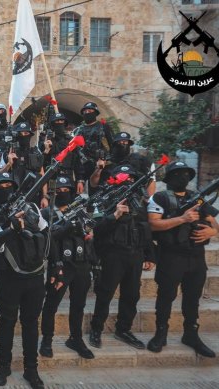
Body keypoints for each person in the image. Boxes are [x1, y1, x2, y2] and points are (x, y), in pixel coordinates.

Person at [0, 173, 48, 388]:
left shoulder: (32, 208)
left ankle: (31, 369)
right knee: (7, 322)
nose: (6, 188)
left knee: (31, 323)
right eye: (1, 185)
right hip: (8, 276)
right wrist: (10, 229)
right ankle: (3, 366)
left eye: (9, 185)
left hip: (35, 276)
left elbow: (46, 236)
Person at [147, 161, 218, 357]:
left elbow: (214, 223)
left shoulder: (198, 199)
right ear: (169, 178)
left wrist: (212, 231)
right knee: (166, 296)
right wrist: (182, 219)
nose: (183, 177)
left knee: (192, 298)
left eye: (186, 174)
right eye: (178, 173)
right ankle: (160, 333)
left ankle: (191, 334)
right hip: (171, 256)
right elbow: (152, 225)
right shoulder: (160, 197)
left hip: (196, 257)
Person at [89, 165, 156, 351]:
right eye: (124, 179)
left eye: (131, 180)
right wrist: (115, 215)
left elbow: (145, 228)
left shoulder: (139, 202)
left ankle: (123, 329)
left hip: (135, 254)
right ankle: (96, 328)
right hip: (113, 255)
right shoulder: (105, 201)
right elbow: (96, 229)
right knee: (105, 293)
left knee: (131, 295)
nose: (128, 183)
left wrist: (150, 254)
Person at [39, 176, 95, 360]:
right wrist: (65, 228)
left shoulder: (81, 210)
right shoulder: (47, 213)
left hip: (81, 263)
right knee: (51, 304)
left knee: (78, 304)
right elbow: (46, 238)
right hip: (61, 265)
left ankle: (76, 338)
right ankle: (47, 339)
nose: (63, 193)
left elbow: (90, 233)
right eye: (59, 190)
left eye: (66, 190)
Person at [0, 121, 48, 208]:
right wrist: (9, 164)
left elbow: (42, 176)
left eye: (26, 133)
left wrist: (44, 197)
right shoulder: (8, 153)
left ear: (30, 134)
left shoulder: (36, 153)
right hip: (14, 197)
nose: (23, 136)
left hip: (34, 196)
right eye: (20, 133)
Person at [89, 132, 155, 196]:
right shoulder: (105, 162)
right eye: (119, 142)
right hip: (110, 198)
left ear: (129, 144)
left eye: (125, 142)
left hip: (132, 198)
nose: (122, 144)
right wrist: (99, 169)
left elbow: (150, 180)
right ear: (114, 145)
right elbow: (93, 184)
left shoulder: (138, 160)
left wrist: (148, 201)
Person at [41, 113, 84, 195]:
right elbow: (40, 165)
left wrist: (80, 180)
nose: (60, 123)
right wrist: (46, 150)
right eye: (57, 122)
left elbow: (78, 162)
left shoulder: (71, 141)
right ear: (52, 125)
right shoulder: (45, 141)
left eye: (61, 121)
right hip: (51, 177)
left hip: (68, 177)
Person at [73, 102, 114, 182]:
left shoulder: (104, 127)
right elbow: (76, 149)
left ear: (95, 113)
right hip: (85, 166)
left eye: (90, 111)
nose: (87, 113)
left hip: (103, 165)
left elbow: (112, 145)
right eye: (85, 111)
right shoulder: (78, 131)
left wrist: (106, 160)